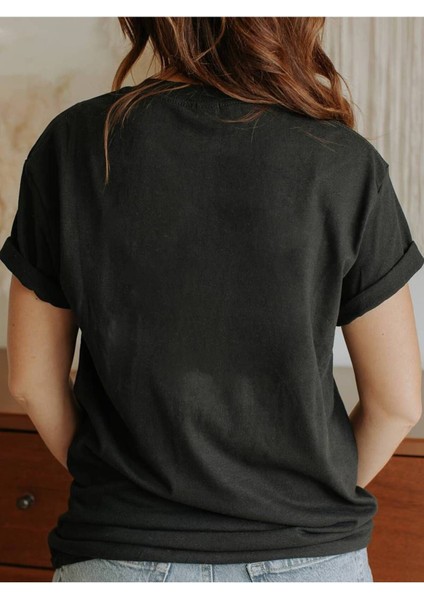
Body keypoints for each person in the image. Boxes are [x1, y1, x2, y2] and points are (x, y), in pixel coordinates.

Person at [0, 17, 422, 583]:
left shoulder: (73, 144)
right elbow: (397, 404)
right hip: (311, 564)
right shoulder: (345, 162)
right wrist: (309, 503)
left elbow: (30, 379)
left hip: (119, 552)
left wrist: (119, 483)